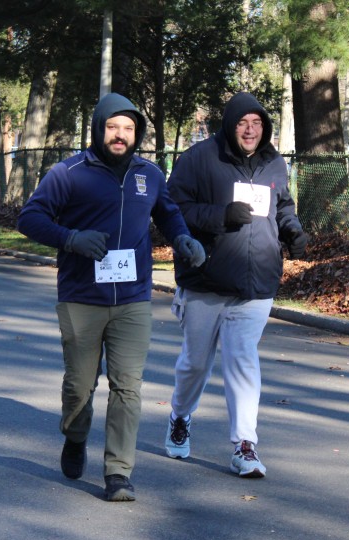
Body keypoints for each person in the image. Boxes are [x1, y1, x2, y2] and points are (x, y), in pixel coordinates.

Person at [17, 93, 206, 502]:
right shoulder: (69, 173)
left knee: (128, 387)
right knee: (79, 386)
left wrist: (182, 238)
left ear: (137, 134)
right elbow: (29, 218)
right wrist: (71, 238)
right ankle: (75, 435)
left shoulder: (149, 174)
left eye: (128, 128)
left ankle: (118, 472)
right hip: (81, 296)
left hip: (133, 298)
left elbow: (168, 213)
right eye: (112, 127)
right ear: (98, 128)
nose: (120, 135)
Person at [163, 92, 309, 479]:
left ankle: (245, 445)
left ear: (265, 127)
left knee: (242, 361)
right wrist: (220, 216)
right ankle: (180, 416)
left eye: (257, 123)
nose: (249, 130)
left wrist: (292, 231)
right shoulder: (198, 159)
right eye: (243, 123)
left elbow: (282, 205)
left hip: (255, 283)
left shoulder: (274, 162)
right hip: (205, 281)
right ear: (230, 125)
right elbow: (172, 209)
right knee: (195, 363)